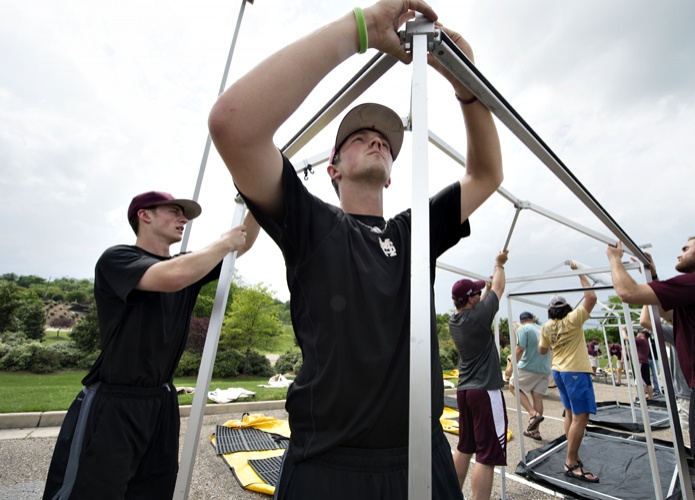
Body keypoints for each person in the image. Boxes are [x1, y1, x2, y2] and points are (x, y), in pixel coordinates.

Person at [208, 1, 504, 497]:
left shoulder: (413, 232)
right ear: (333, 169)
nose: (375, 141)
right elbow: (233, 125)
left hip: (420, 458)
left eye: (384, 140)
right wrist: (361, 27)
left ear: (391, 172)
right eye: (358, 137)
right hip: (329, 466)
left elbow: (486, 175)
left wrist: (466, 82)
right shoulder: (312, 223)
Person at [42, 191, 259, 500]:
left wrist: (257, 198)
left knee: (151, 491)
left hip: (161, 403)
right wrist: (224, 242)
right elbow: (173, 276)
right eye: (174, 211)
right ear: (144, 215)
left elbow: (245, 242)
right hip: (115, 403)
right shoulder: (118, 259)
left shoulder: (188, 267)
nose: (184, 219)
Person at [607, 235, 695, 500]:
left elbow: (628, 293)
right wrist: (653, 275)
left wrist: (614, 260)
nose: (679, 254)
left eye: (686, 248)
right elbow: (663, 312)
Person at [448, 251, 509, 500]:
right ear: (471, 300)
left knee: (464, 448)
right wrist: (499, 264)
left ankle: (450, 494)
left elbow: (482, 305)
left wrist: (483, 292)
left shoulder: (456, 320)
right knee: (487, 455)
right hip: (484, 391)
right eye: (475, 293)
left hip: (464, 391)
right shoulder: (479, 317)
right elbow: (500, 287)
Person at [538, 262, 599, 483]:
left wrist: (556, 342)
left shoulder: (546, 327)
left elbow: (542, 350)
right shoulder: (573, 319)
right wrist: (580, 272)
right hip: (575, 372)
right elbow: (591, 298)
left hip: (559, 372)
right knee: (580, 418)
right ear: (567, 309)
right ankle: (571, 461)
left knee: (570, 414)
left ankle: (572, 454)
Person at [639, 305, 690, 428]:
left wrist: (648, 298)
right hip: (694, 389)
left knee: (691, 429)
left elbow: (644, 321)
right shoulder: (689, 331)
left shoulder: (677, 331)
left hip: (686, 392)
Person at [509, 311, 551, 441]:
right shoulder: (544, 329)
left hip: (528, 367)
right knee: (537, 396)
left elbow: (520, 349)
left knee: (512, 386)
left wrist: (510, 368)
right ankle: (535, 431)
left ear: (521, 321)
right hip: (544, 368)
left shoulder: (523, 329)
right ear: (533, 319)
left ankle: (533, 414)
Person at [635, 330, 654, 399]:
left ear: (643, 335)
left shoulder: (641, 341)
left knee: (641, 382)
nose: (638, 333)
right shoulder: (645, 341)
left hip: (641, 363)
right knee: (647, 382)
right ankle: (651, 398)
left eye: (639, 332)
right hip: (645, 363)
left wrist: (623, 330)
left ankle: (642, 400)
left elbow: (626, 338)